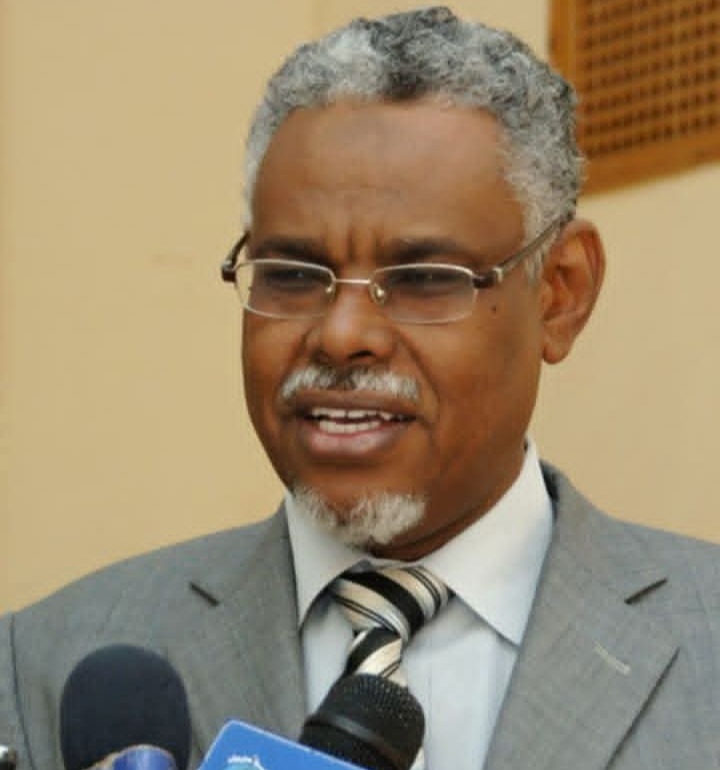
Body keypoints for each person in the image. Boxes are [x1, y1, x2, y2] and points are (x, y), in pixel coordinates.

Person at [2, 7, 718, 769]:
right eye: (292, 274)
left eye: (422, 279)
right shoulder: (43, 668)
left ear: (560, 294)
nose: (342, 335)